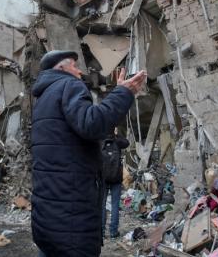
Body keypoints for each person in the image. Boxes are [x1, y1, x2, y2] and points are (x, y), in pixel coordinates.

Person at [31, 50, 146, 257]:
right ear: (62, 68)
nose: (79, 71)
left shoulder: (42, 100)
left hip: (47, 215)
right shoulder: (68, 85)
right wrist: (123, 93)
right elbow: (91, 124)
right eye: (75, 65)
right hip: (71, 218)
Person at [101, 128, 129, 239]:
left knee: (101, 206)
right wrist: (118, 134)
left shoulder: (100, 141)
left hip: (103, 178)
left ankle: (101, 232)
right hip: (116, 178)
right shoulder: (117, 141)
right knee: (115, 205)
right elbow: (126, 143)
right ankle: (113, 232)